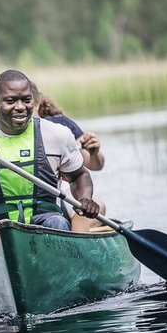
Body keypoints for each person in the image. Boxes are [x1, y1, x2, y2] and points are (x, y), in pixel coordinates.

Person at [0, 69, 100, 249]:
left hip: (45, 223)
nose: (20, 107)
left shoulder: (56, 134)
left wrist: (85, 199)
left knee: (58, 223)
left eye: (26, 100)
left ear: (34, 100)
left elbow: (79, 176)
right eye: (10, 100)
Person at [31, 82, 107, 231]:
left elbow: (94, 164)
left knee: (96, 207)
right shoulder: (7, 132)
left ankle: (77, 243)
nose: (21, 108)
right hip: (31, 196)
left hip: (63, 188)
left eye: (27, 101)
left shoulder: (60, 125)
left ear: (37, 103)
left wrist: (94, 152)